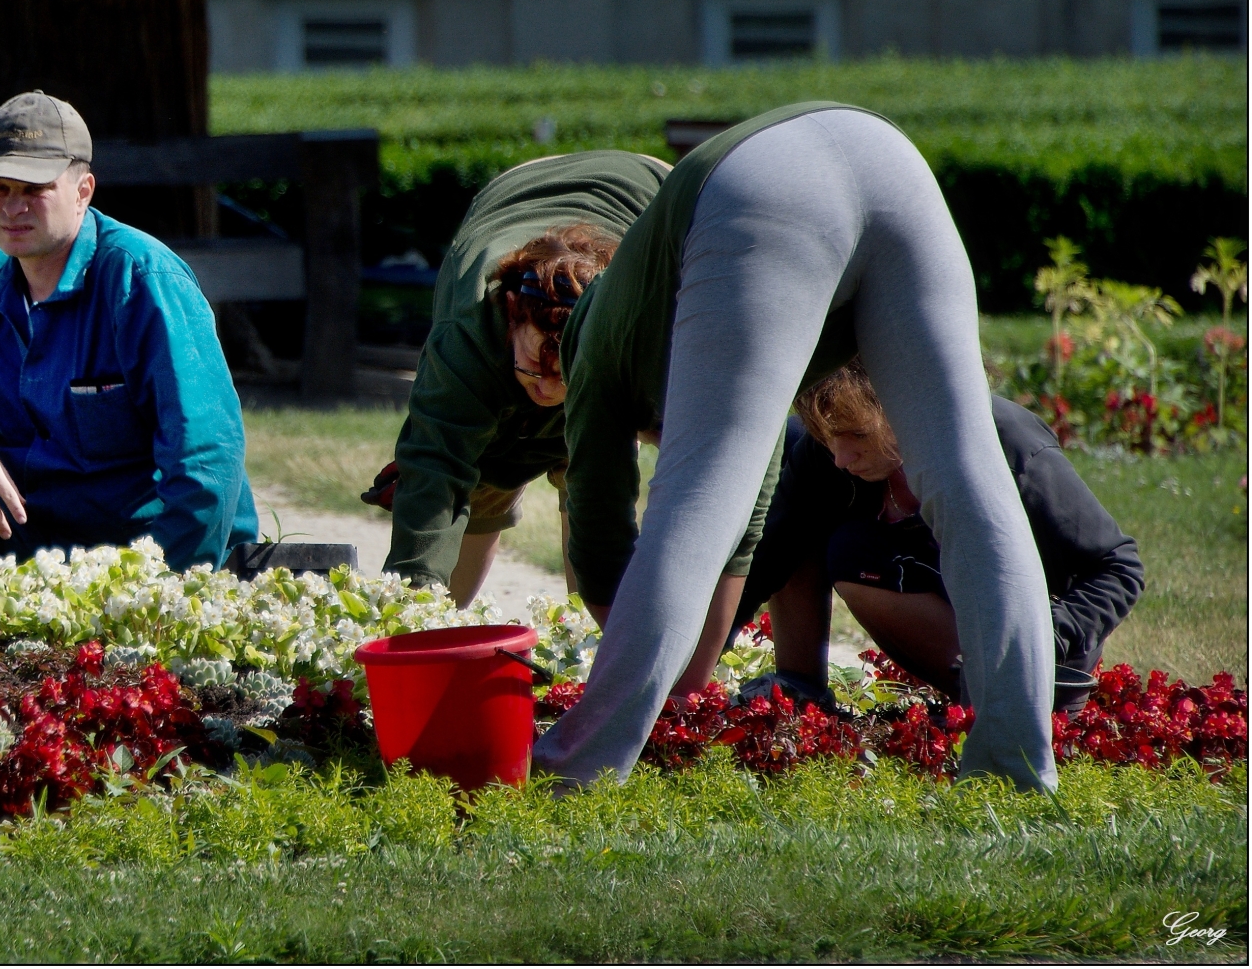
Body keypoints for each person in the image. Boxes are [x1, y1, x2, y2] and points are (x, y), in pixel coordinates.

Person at [540, 101, 1064, 791]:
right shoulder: (644, 302)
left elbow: (604, 538)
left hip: (761, 187)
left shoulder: (593, 358)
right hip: (889, 156)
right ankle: (1015, 768)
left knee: (696, 493)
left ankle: (576, 769)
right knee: (969, 476)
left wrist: (629, 647)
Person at [0, 92, 257, 569]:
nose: (12, 208)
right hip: (31, 530)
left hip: (142, 543)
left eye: (33, 189)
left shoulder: (143, 279)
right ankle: (14, 622)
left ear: (83, 191)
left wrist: (159, 588)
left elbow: (206, 458)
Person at [732, 361, 1142, 713]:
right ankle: (800, 687)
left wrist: (1041, 639)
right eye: (828, 436)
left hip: (1040, 653)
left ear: (902, 404)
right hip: (943, 606)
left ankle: (996, 706)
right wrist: (688, 672)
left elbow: (1118, 568)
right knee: (841, 542)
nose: (841, 457)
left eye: (857, 435)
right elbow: (768, 557)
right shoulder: (827, 456)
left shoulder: (1008, 443)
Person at [375, 150, 667, 607]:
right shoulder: (466, 333)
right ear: (512, 311)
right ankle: (443, 629)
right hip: (517, 189)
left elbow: (614, 497)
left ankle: (591, 643)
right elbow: (435, 471)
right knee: (480, 475)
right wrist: (410, 610)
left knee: (589, 469)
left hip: (646, 189)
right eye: (536, 362)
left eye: (567, 371)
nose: (549, 388)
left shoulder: (636, 325)